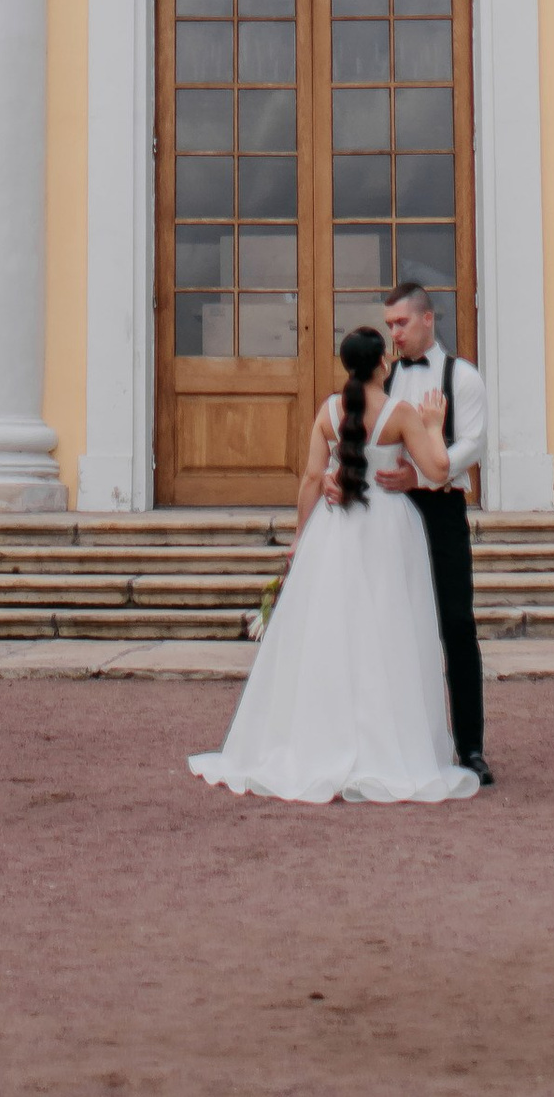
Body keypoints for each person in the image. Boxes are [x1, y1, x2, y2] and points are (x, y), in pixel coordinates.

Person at [189, 325, 482, 805]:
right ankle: (388, 744)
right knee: (388, 631)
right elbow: (435, 469)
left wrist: (301, 536)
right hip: (388, 528)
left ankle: (320, 737)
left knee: (328, 631)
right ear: (383, 364)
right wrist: (433, 424)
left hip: (335, 529)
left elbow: (310, 477)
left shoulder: (328, 410)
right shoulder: (401, 413)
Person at [378, 277, 493, 782]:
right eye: (389, 326)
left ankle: (470, 747)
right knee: (394, 626)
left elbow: (472, 444)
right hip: (391, 514)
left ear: (428, 319)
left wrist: (421, 474)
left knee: (456, 625)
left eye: (401, 323)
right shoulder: (385, 379)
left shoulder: (462, 377)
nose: (394, 335)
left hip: (442, 512)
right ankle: (398, 744)